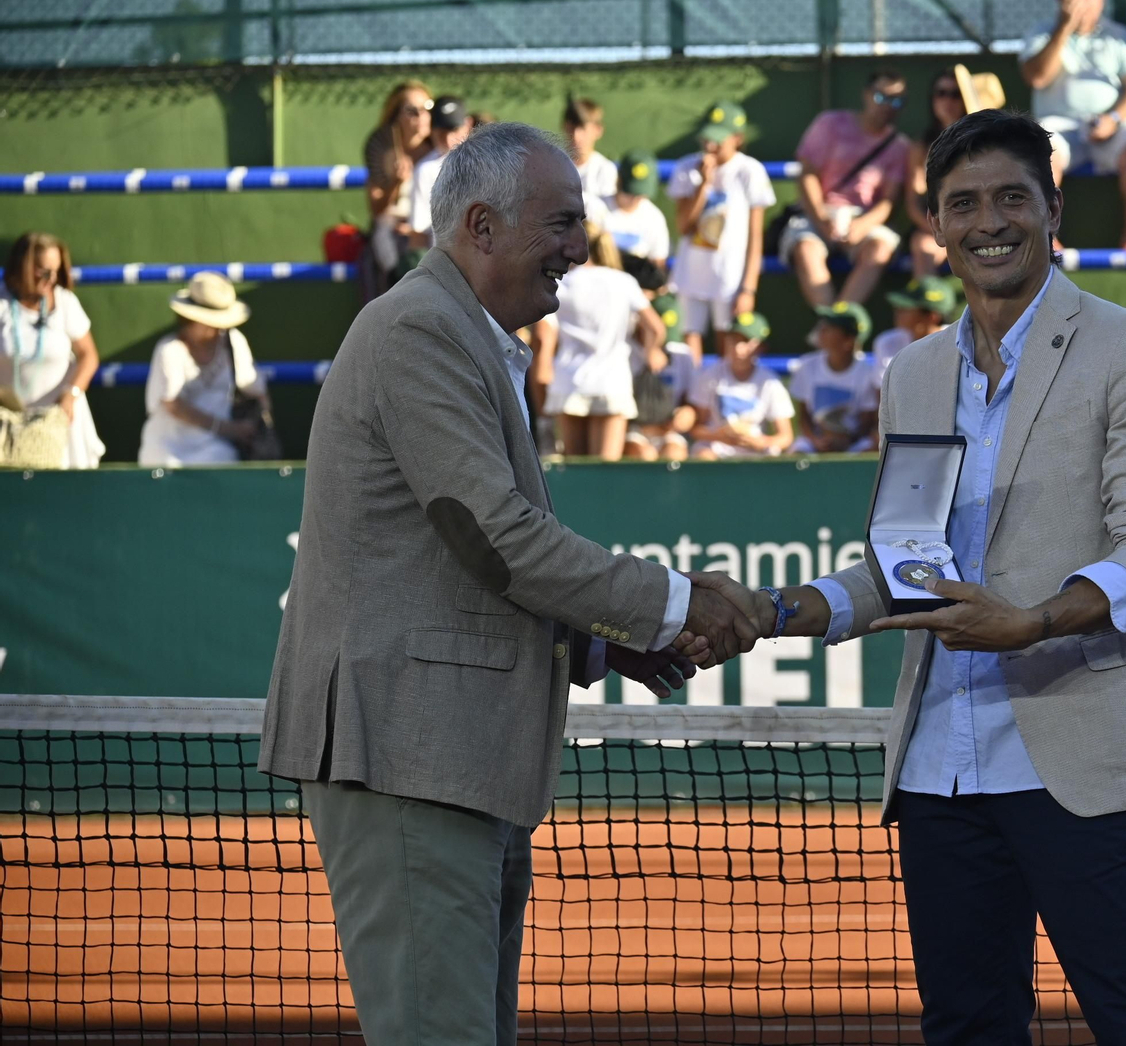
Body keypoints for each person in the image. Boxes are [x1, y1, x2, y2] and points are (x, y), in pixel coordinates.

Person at [692, 109, 1126, 1045]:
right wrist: (773, 611)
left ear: (1052, 209)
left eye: (1012, 196)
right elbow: (907, 565)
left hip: (1079, 762)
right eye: (962, 203)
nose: (988, 221)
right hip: (940, 775)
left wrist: (1036, 621)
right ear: (933, 225)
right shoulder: (914, 371)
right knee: (967, 1028)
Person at [259, 122, 757, 1046]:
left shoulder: (463, 332)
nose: (579, 246)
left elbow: (460, 565)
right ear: (481, 227)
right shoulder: (419, 328)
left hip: (452, 759)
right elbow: (498, 540)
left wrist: (606, 640)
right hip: (412, 753)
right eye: (561, 222)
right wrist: (678, 603)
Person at [1020, 0, 1126, 252]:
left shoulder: (1118, 35)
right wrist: (1064, 27)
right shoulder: (1041, 32)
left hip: (1110, 125)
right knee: (1036, 150)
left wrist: (1114, 119)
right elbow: (1037, 77)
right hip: (1058, 127)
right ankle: (1048, 240)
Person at [533, 221, 665, 461]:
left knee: (576, 474)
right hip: (611, 382)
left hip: (569, 383)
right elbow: (655, 327)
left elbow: (544, 338)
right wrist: (652, 352)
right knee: (606, 477)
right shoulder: (624, 282)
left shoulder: (558, 284)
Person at [781, 72, 911, 306]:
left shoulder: (900, 146)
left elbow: (888, 201)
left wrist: (863, 225)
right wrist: (821, 218)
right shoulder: (830, 123)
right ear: (866, 95)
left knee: (880, 250)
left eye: (896, 100)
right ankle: (835, 327)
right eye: (881, 97)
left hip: (864, 219)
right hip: (819, 211)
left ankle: (837, 323)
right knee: (805, 248)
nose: (887, 106)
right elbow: (807, 174)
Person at [667, 101, 775, 368]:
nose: (710, 145)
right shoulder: (686, 167)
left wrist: (748, 288)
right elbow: (683, 226)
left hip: (730, 279)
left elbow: (755, 237)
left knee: (729, 347)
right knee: (688, 346)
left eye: (718, 140)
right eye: (707, 138)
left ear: (737, 139)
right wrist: (703, 184)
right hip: (690, 275)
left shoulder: (750, 171)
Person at [137, 273, 271, 468]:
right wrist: (229, 429)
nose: (217, 331)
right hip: (167, 450)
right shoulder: (169, 350)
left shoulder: (234, 342)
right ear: (188, 320)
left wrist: (262, 427)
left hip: (217, 450)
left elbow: (256, 388)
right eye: (210, 324)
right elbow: (173, 405)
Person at [0, 232, 105, 468]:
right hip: (6, 429)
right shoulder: (2, 303)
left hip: (59, 424)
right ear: (22, 266)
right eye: (42, 270)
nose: (51, 278)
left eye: (56, 271)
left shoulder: (65, 302)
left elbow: (88, 355)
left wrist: (72, 393)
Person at [687, 311, 794, 460]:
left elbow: (786, 436)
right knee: (703, 455)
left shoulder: (770, 382)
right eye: (734, 340)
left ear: (761, 347)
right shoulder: (710, 375)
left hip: (755, 451)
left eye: (745, 341)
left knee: (772, 458)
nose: (738, 348)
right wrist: (719, 436)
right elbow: (696, 428)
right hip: (717, 447)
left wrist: (761, 442)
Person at [362, 81, 433, 289]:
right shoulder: (383, 152)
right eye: (412, 111)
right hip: (392, 236)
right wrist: (396, 182)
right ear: (396, 116)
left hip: (430, 233)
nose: (421, 117)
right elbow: (377, 210)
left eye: (427, 108)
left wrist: (415, 228)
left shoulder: (439, 151)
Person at [905, 68, 973, 277]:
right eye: (941, 93)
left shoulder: (982, 144)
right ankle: (930, 307)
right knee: (922, 246)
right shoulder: (921, 147)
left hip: (977, 224)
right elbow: (913, 203)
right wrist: (939, 230)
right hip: (938, 227)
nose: (948, 101)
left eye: (955, 94)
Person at [788, 301, 880, 454]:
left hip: (852, 443)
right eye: (823, 325)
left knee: (870, 449)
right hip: (816, 440)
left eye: (830, 327)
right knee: (798, 451)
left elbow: (867, 422)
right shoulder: (807, 366)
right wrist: (815, 440)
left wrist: (846, 441)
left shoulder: (867, 373)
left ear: (849, 341)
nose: (821, 330)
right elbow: (803, 417)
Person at [624, 293, 697, 462]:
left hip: (670, 433)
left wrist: (688, 414)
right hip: (635, 431)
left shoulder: (683, 355)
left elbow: (692, 403)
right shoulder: (624, 352)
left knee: (674, 455)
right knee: (644, 456)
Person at [408, 95, 471, 249]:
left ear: (468, 124)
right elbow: (419, 232)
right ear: (432, 130)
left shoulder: (488, 163)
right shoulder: (424, 170)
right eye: (441, 132)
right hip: (445, 264)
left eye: (455, 129)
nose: (449, 139)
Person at [873, 274, 961, 380]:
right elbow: (883, 393)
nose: (897, 311)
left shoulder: (960, 343)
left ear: (932, 316)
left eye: (906, 307)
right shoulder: (888, 342)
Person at [605, 149, 672, 271]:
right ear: (618, 181)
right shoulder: (595, 207)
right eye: (630, 191)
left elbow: (657, 263)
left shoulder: (654, 217)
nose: (635, 198)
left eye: (641, 193)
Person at [562, 96, 617, 202]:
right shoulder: (552, 165)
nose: (576, 135)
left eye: (582, 128)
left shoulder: (605, 170)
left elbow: (604, 215)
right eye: (571, 128)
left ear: (598, 130)